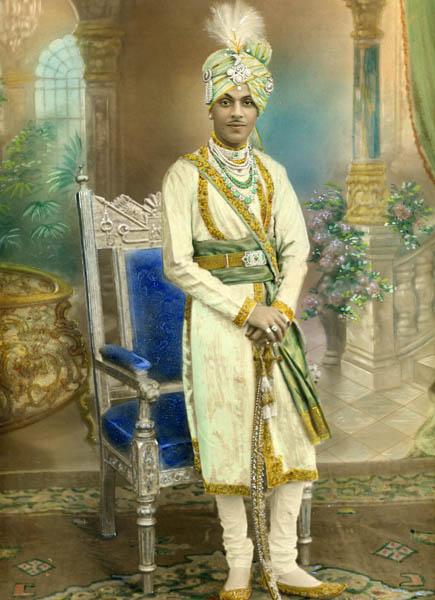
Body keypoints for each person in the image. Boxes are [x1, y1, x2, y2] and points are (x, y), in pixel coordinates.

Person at [162, 3, 346, 599]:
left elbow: (296, 250)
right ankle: (239, 564)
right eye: (225, 101)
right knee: (228, 440)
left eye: (246, 102)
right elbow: (178, 264)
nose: (236, 112)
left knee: (292, 439)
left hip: (277, 325)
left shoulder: (273, 172)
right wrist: (246, 311)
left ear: (258, 108)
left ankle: (285, 561)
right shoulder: (184, 176)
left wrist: (282, 310)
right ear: (210, 106)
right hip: (220, 324)